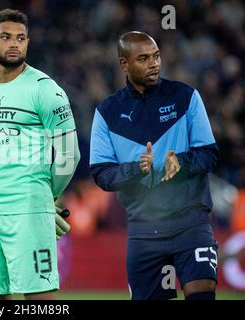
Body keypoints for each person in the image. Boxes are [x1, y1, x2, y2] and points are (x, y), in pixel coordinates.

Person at [90, 31, 219, 300]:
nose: (154, 64)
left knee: (202, 293)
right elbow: (101, 174)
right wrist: (137, 169)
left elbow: (209, 154)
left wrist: (180, 162)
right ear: (124, 64)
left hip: (191, 221)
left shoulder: (185, 97)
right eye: (144, 58)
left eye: (157, 56)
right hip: (143, 229)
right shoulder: (107, 112)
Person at [0, 9, 80, 300]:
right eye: (6, 37)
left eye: (20, 38)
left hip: (29, 208)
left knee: (39, 297)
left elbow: (69, 155)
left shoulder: (46, 90)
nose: (14, 43)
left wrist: (45, 196)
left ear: (28, 42)